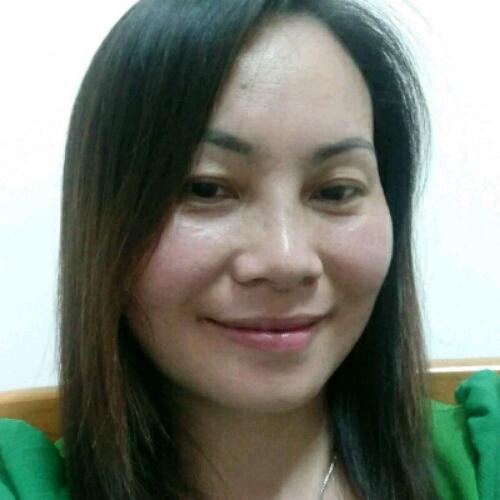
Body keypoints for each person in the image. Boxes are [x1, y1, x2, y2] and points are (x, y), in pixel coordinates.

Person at [0, 0, 499, 499]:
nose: (286, 260)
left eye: (335, 191)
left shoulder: (483, 456)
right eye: (206, 189)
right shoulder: (24, 484)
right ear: (107, 220)